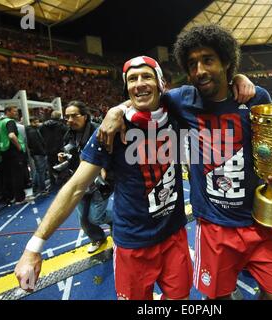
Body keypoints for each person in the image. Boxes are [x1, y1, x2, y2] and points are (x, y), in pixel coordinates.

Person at [98, 24, 272, 300]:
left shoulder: (257, 98)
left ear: (227, 61)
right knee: (219, 298)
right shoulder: (181, 99)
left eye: (208, 60)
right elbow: (145, 97)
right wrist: (116, 109)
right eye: (192, 63)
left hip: (258, 221)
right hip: (213, 225)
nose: (199, 71)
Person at [14, 57, 193, 300]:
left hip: (174, 235)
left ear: (161, 83)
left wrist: (239, 79)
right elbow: (76, 186)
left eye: (146, 77)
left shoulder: (175, 114)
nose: (139, 84)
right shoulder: (112, 130)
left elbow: (213, 88)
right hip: (134, 243)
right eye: (132, 79)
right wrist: (34, 247)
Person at [60, 101, 112, 253]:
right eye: (67, 117)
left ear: (85, 116)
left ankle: (119, 221)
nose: (70, 120)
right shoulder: (68, 134)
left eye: (74, 116)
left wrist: (104, 167)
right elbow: (71, 153)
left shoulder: (99, 131)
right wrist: (64, 157)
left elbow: (112, 152)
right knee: (83, 218)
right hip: (79, 181)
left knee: (95, 217)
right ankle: (98, 238)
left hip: (99, 181)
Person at [0, 105, 28, 204]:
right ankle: (20, 198)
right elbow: (11, 135)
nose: (16, 113)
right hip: (13, 152)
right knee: (17, 176)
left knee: (8, 175)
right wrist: (19, 147)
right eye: (14, 111)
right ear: (8, 111)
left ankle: (10, 197)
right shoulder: (9, 122)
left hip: (3, 152)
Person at [39, 110, 68, 188]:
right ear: (59, 117)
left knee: (50, 166)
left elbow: (40, 137)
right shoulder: (62, 126)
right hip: (60, 149)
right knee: (62, 166)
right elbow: (67, 136)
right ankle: (62, 182)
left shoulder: (42, 125)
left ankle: (53, 183)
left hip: (48, 149)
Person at [25, 117, 48, 196]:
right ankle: (43, 189)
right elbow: (37, 144)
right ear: (32, 122)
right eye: (36, 122)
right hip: (39, 153)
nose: (38, 124)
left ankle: (35, 188)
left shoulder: (30, 130)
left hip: (36, 153)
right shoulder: (33, 132)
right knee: (41, 172)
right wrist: (43, 152)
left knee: (37, 171)